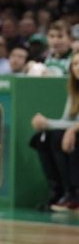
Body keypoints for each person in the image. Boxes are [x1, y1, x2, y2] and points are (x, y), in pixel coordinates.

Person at [30, 50, 79, 212]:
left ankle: (75, 192)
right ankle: (59, 191)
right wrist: (47, 125)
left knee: (60, 136)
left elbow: (73, 125)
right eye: (75, 64)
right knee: (43, 137)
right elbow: (68, 120)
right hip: (74, 130)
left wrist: (70, 129)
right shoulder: (74, 91)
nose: (78, 68)